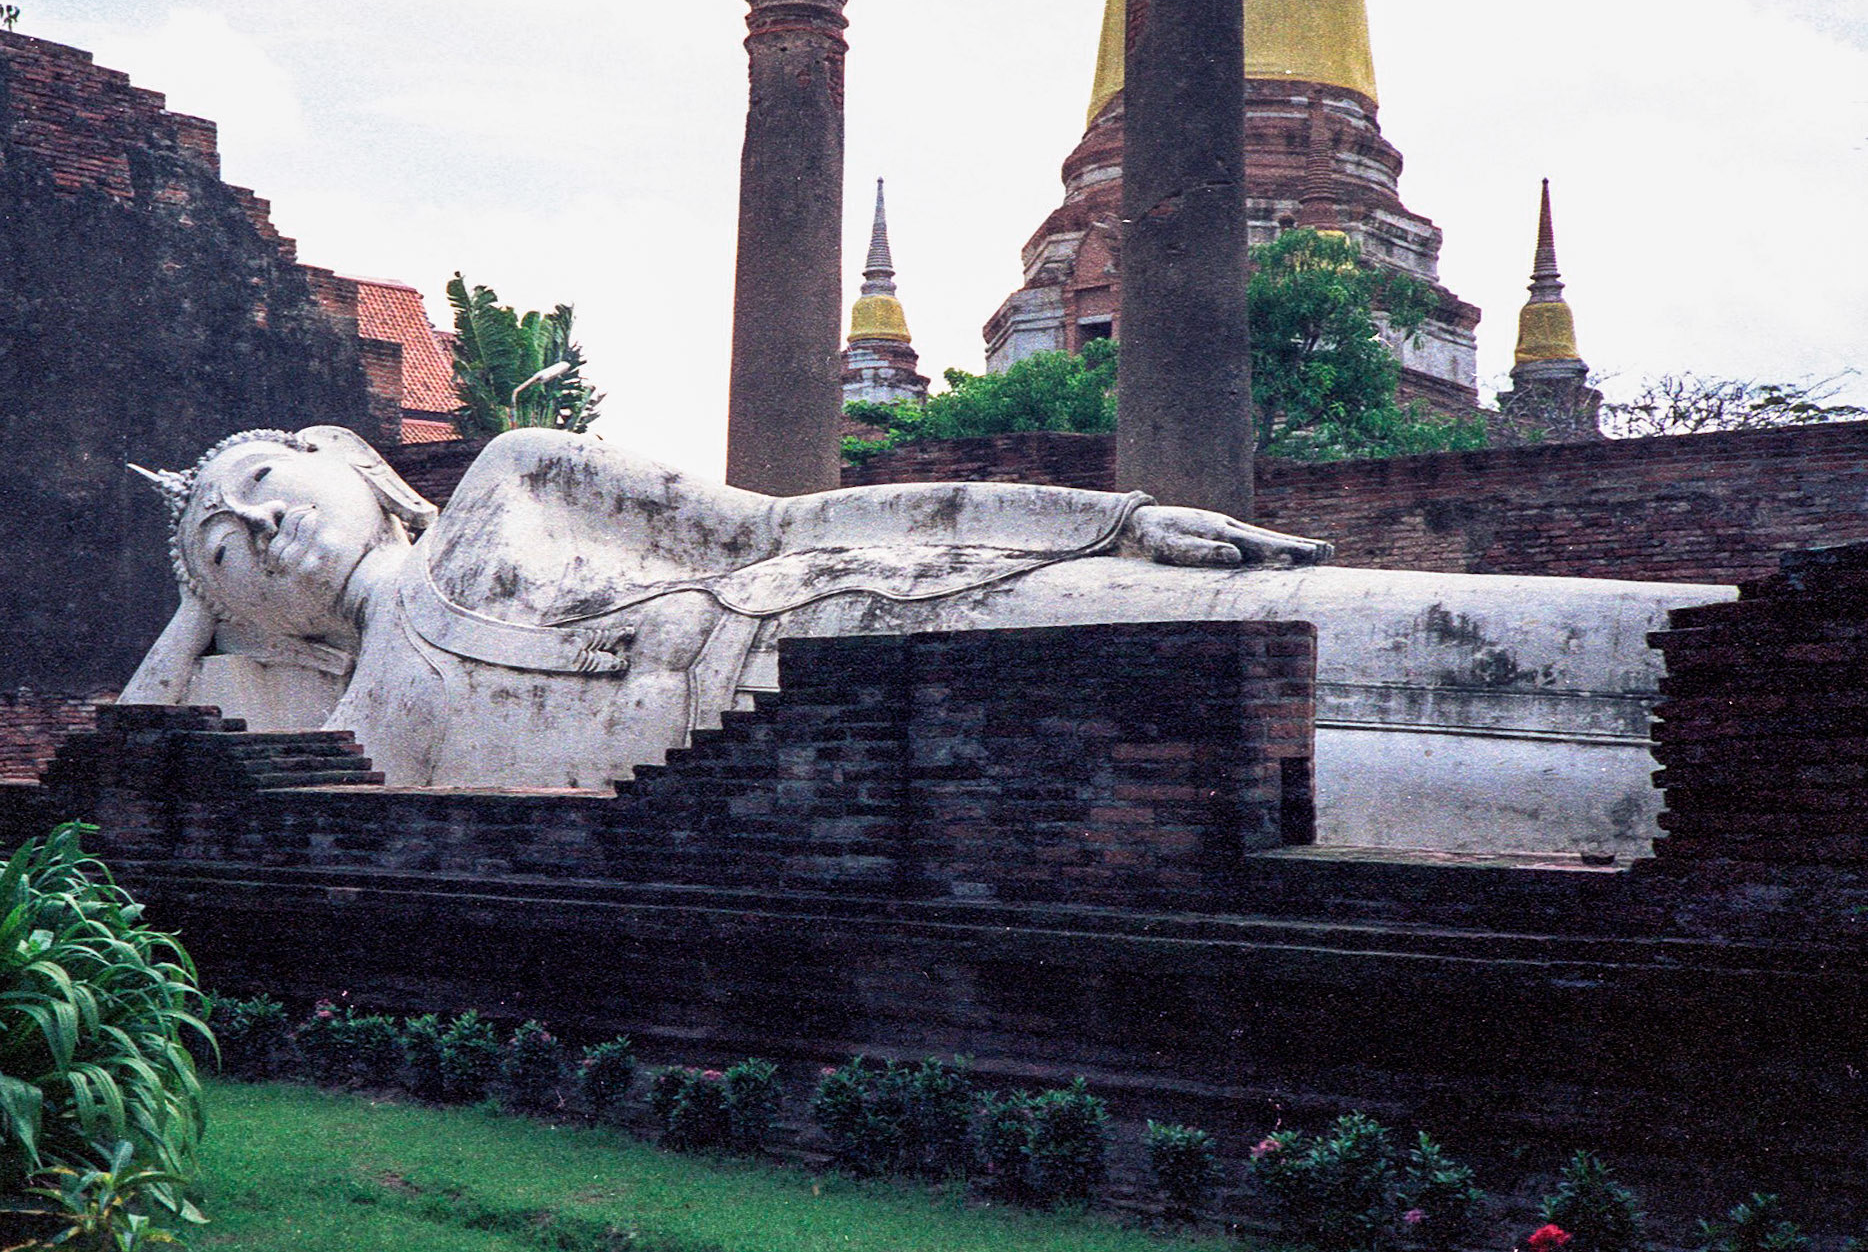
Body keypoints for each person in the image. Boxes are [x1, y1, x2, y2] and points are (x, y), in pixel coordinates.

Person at [125, 425, 1331, 788]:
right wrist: (193, 617)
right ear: (251, 618)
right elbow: (126, 751)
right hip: (792, 762)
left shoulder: (510, 479)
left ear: (338, 458)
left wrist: (1099, 520)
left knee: (1309, 626)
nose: (262, 528)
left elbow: (783, 526)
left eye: (263, 484)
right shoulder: (372, 726)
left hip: (837, 612)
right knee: (1288, 761)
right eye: (224, 550)